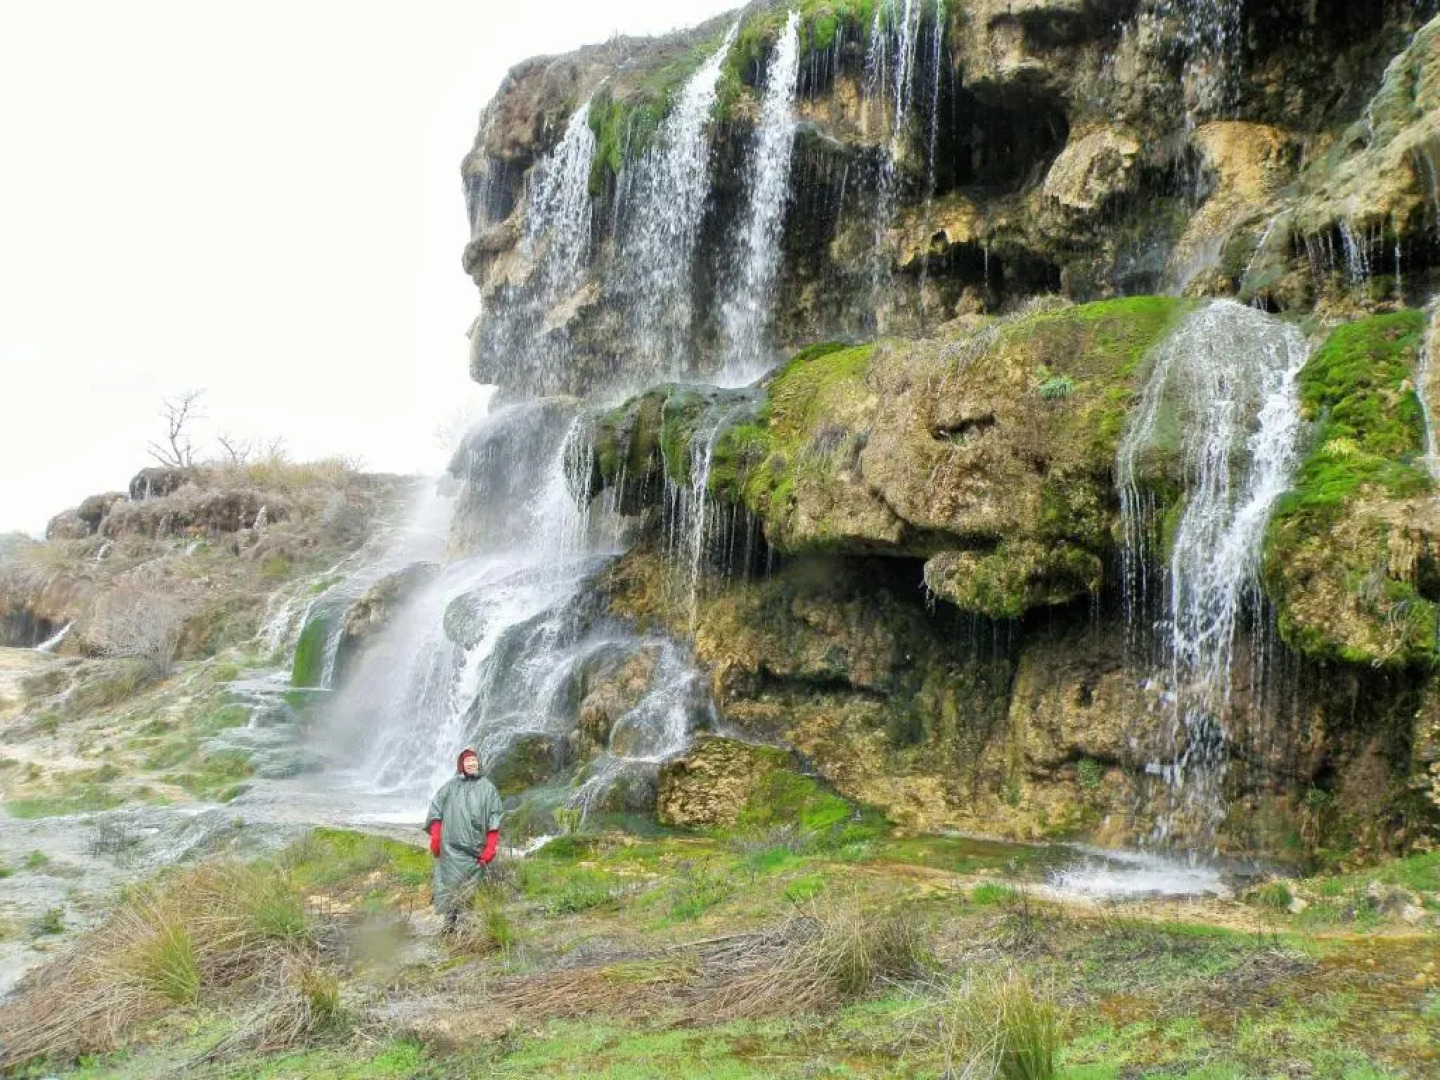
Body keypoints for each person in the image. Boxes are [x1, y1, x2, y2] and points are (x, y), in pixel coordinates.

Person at [424, 747, 502, 932]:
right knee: (449, 886)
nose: (471, 763)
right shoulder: (449, 787)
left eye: (474, 759)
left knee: (470, 890)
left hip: (475, 851)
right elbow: (436, 809)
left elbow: (494, 817)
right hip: (450, 850)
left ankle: (466, 929)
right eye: (467, 760)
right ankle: (449, 925)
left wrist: (490, 847)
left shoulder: (488, 789)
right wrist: (436, 837)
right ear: (461, 764)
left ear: (478, 762)